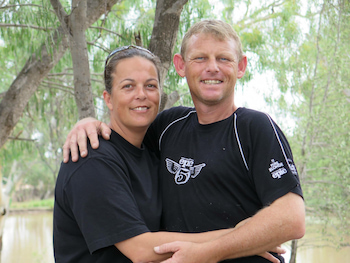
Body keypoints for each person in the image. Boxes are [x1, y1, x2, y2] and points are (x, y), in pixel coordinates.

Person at [62, 19, 305, 263]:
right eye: (200, 58)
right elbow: (124, 133)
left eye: (223, 58)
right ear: (181, 65)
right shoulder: (168, 127)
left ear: (241, 67)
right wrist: (88, 123)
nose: (212, 68)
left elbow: (292, 219)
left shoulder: (254, 127)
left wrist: (209, 252)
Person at [54, 45, 247, 263]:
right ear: (108, 99)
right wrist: (243, 238)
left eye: (150, 86)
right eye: (128, 86)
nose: (141, 95)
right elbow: (141, 250)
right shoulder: (92, 159)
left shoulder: (154, 153)